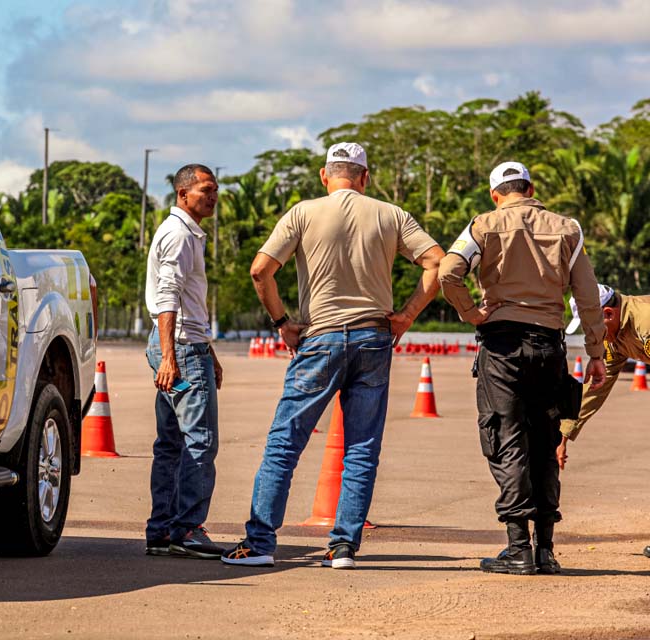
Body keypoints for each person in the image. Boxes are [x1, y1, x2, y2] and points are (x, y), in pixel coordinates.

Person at [221, 142, 444, 568]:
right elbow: (436, 261)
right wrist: (407, 315)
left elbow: (259, 270)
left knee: (285, 443)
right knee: (361, 447)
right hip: (373, 339)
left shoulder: (303, 213)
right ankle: (342, 546)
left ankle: (260, 543)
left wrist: (282, 322)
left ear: (325, 176)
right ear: (364, 177)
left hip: (319, 338)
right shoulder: (390, 214)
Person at [439, 161, 607, 575]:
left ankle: (518, 549)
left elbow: (448, 271)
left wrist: (471, 313)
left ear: (496, 194)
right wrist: (597, 352)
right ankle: (546, 550)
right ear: (531, 188)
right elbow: (586, 294)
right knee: (544, 443)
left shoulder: (483, 225)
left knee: (506, 439)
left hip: (501, 348)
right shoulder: (568, 228)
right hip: (550, 347)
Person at [143, 164, 224, 559]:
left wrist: (208, 349)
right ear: (183, 193)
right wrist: (172, 358)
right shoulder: (178, 235)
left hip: (187, 347)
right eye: (205, 190)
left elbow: (188, 304)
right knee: (200, 442)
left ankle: (162, 531)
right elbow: (168, 297)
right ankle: (187, 529)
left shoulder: (186, 232)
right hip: (180, 349)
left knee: (171, 444)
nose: (212, 197)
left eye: (215, 190)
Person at [560, 284, 650, 558]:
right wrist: (562, 436)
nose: (591, 337)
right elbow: (595, 388)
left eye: (591, 328)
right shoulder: (616, 334)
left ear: (608, 314)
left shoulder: (645, 324)